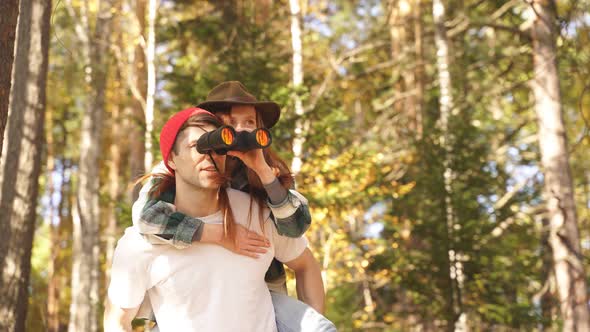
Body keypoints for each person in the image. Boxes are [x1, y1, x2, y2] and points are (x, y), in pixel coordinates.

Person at [131, 81, 336, 330]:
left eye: (249, 122)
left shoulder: (268, 173)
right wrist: (222, 235)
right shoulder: (180, 166)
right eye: (228, 123)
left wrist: (264, 173)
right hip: (189, 294)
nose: (239, 131)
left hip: (257, 292)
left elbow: (296, 228)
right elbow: (146, 218)